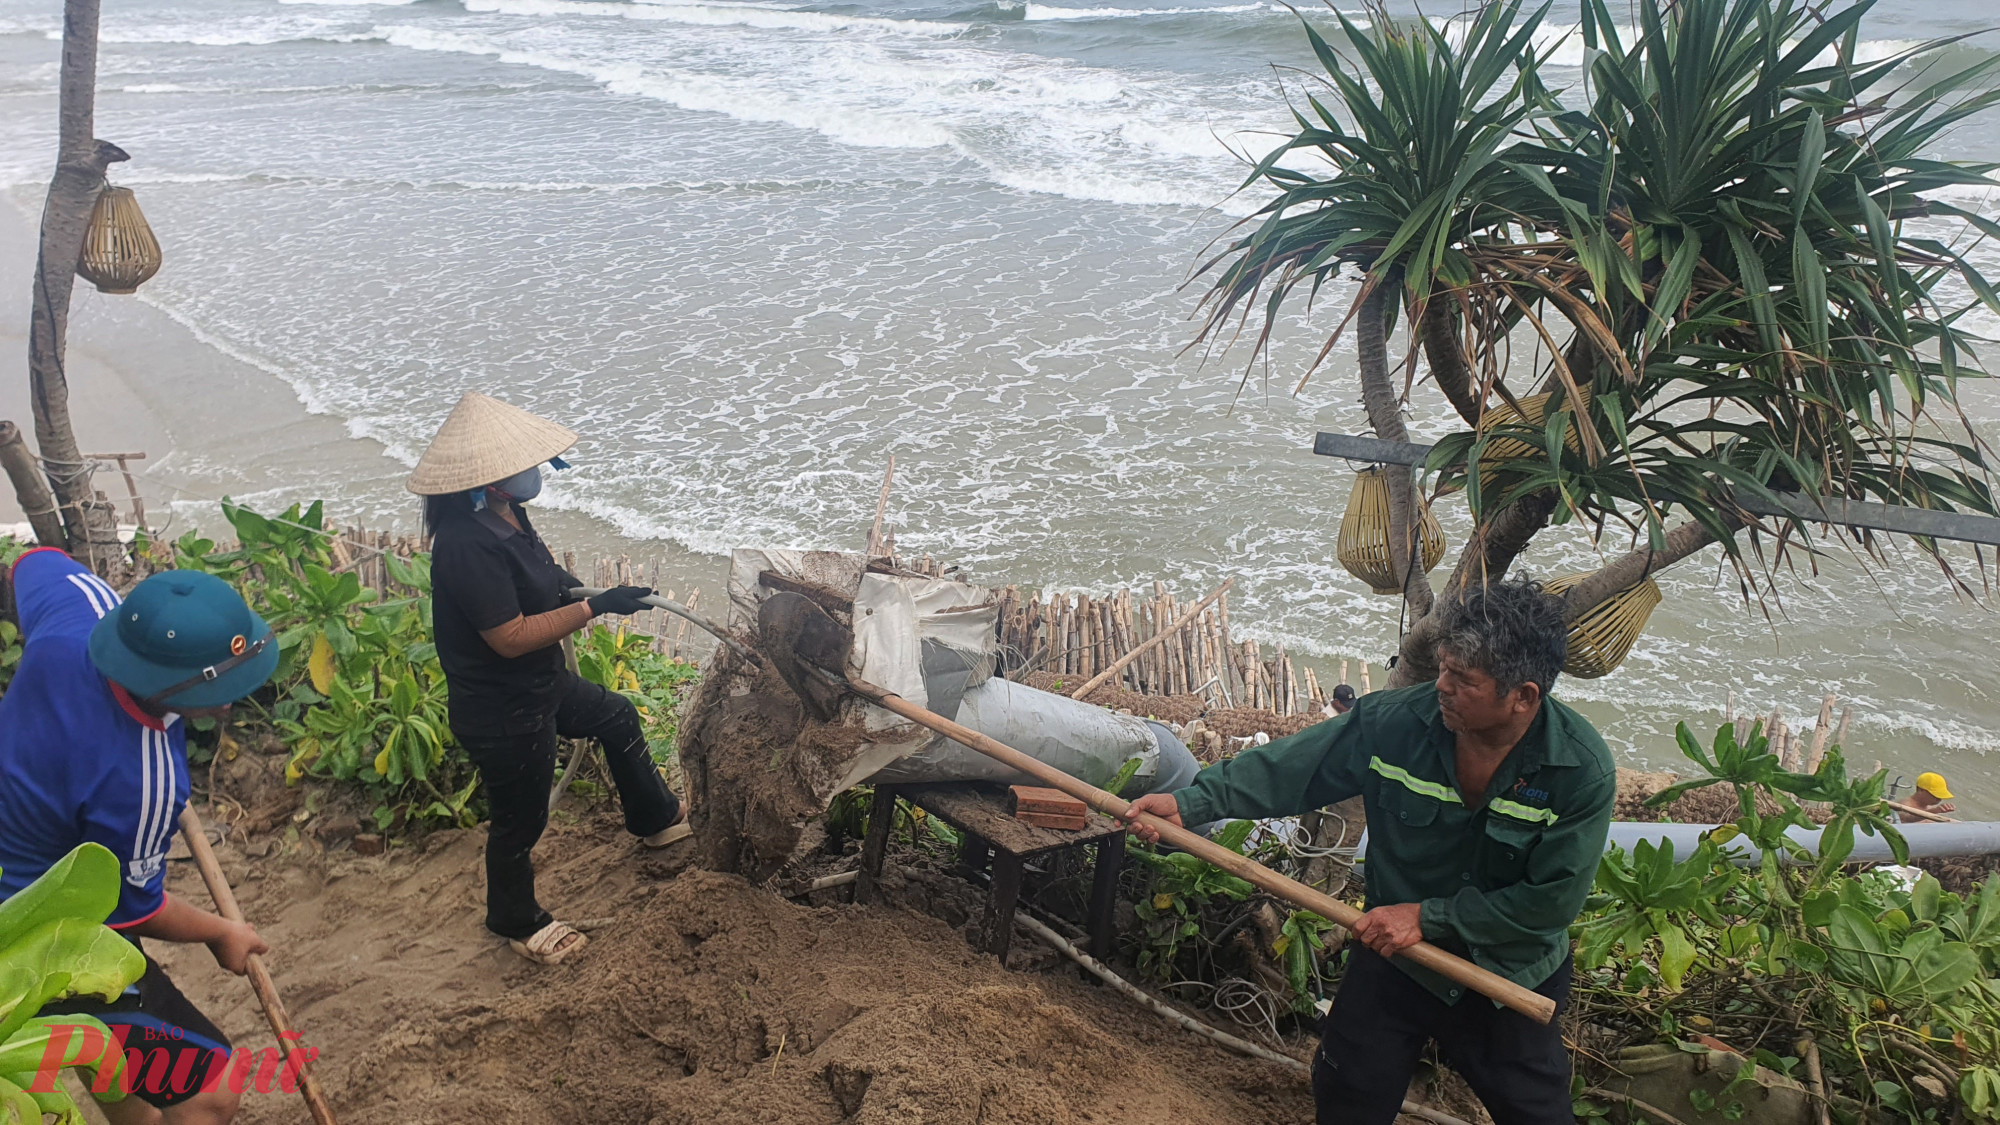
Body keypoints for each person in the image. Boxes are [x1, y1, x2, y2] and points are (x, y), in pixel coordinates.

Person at [1125, 579, 1614, 1125]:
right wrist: (1190, 803)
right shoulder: (1393, 723)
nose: (1442, 687)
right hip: (1394, 959)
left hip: (1506, 974)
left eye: (1464, 680)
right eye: (1443, 669)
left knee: (1537, 1115)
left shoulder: (1578, 771)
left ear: (1523, 696)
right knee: (1347, 1094)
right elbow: (1292, 768)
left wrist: (1430, 918)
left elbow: (1549, 904)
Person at [407, 391, 688, 967]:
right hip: (502, 710)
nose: (535, 473)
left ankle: (655, 818)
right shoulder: (464, 544)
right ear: (489, 480)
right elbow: (508, 637)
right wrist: (595, 607)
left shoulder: (508, 513)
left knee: (616, 716)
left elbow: (535, 572)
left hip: (543, 685)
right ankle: (514, 918)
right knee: (520, 819)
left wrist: (570, 586)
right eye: (523, 466)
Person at [0, 549, 280, 1123]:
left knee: (115, 1056)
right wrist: (221, 933)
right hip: (33, 926)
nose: (235, 696)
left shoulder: (84, 607)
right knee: (211, 1088)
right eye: (224, 686)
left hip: (29, 848)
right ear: (170, 686)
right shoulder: (140, 781)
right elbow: (129, 914)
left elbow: (33, 562)